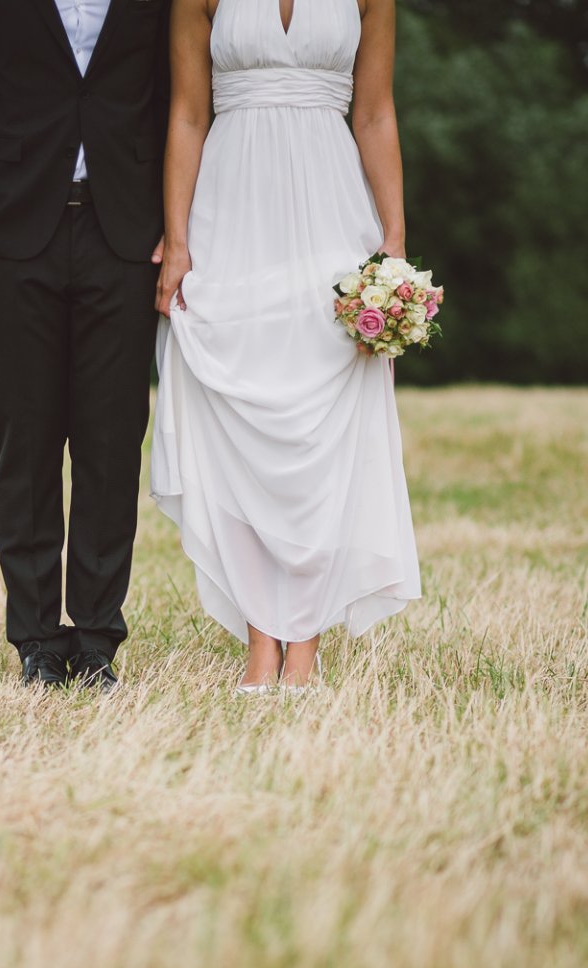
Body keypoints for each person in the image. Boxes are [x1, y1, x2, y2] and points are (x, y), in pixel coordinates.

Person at [152, 0, 421, 692]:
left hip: (331, 207)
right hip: (231, 208)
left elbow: (375, 113)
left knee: (319, 428)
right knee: (240, 419)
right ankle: (259, 641)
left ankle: (303, 642)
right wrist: (178, 241)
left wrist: (393, 240)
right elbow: (187, 113)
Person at [0, 0, 171, 692]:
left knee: (111, 441)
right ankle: (36, 639)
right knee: (23, 440)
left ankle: (96, 641)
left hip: (125, 235)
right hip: (10, 233)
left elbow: (180, 100)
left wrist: (181, 227)